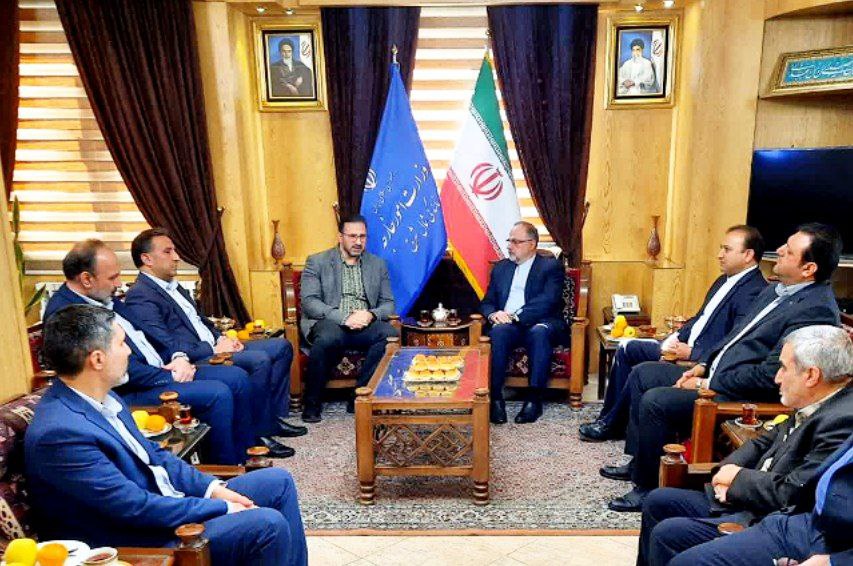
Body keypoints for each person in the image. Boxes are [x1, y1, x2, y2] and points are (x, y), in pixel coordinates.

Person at [25, 305, 308, 565]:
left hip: (165, 507)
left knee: (277, 481)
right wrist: (221, 508)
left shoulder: (103, 397)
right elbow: (133, 507)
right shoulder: (60, 434)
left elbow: (156, 456)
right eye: (121, 344)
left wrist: (214, 490)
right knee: (267, 524)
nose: (129, 352)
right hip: (143, 537)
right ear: (97, 359)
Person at [603, 223, 843, 512]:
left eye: (789, 251)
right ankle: (641, 464)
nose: (778, 250)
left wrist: (708, 384)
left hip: (742, 394)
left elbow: (770, 376)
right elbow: (734, 336)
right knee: (644, 373)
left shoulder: (815, 310)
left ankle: (647, 487)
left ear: (808, 269)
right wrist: (703, 366)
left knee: (657, 401)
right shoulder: (776, 291)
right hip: (717, 375)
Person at [640, 325, 853, 565]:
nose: (777, 377)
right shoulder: (816, 400)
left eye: (784, 368)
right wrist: (726, 472)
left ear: (811, 376)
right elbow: (763, 441)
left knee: (670, 536)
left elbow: (794, 492)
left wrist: (737, 482)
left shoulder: (843, 420)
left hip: (770, 515)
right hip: (749, 497)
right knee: (658, 502)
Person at [42, 239, 258, 464]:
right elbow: (109, 367)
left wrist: (178, 356)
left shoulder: (102, 295)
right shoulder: (67, 314)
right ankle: (225, 467)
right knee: (217, 393)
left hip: (162, 367)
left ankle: (246, 455)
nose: (119, 283)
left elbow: (150, 333)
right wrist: (169, 376)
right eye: (113, 278)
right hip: (131, 388)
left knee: (236, 377)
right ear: (87, 279)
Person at [124, 228, 303, 457]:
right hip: (197, 356)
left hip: (215, 344)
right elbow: (165, 343)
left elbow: (200, 320)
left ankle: (268, 419)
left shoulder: (173, 285)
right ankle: (259, 432)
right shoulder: (141, 295)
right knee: (259, 360)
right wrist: (213, 347)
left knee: (281, 347)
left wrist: (222, 337)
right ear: (147, 259)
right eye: (168, 251)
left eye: (175, 250)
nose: (176, 257)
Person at [580, 226, 767, 442]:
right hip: (683, 345)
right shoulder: (722, 280)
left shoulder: (755, 290)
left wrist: (694, 352)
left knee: (641, 369)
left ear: (748, 255)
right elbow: (700, 318)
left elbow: (734, 341)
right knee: (626, 347)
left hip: (700, 360)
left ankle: (611, 424)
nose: (719, 254)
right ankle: (612, 419)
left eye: (727, 249)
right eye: (720, 248)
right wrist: (675, 337)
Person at [668, 431, 853, 566]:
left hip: (828, 541)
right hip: (798, 520)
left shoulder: (841, 414)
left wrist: (836, 562)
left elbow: (790, 491)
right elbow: (763, 441)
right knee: (665, 516)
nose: (778, 385)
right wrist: (726, 473)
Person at [299, 213, 398, 422]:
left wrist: (370, 314)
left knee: (390, 334)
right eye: (352, 236)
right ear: (340, 237)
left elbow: (388, 303)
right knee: (327, 338)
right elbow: (309, 302)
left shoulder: (377, 264)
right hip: (331, 321)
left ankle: (359, 395)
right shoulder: (317, 262)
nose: (358, 241)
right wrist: (344, 318)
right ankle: (312, 403)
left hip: (364, 323)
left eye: (362, 236)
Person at [481, 221, 566, 425]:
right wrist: (493, 315)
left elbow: (548, 301)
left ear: (532, 244)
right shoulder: (501, 268)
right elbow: (487, 302)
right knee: (498, 332)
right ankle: (496, 399)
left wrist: (515, 316)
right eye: (509, 241)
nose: (510, 246)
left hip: (541, 321)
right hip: (509, 325)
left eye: (516, 242)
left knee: (539, 333)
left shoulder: (550, 267)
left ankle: (534, 400)